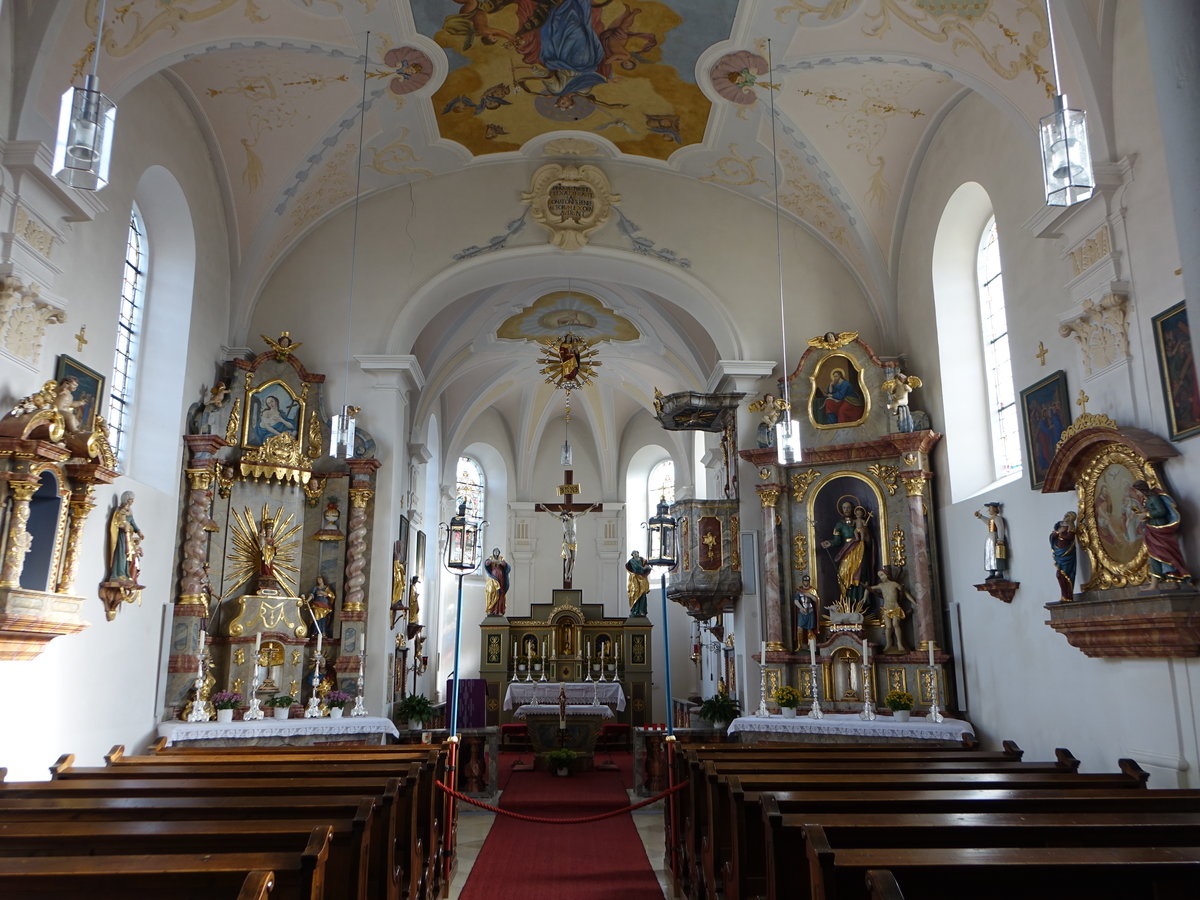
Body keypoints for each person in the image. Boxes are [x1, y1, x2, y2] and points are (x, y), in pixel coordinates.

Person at [1129, 481, 1193, 587]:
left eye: (1136, 491)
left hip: (1160, 528)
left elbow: (1161, 511)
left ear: (1140, 490)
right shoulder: (1147, 500)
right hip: (1152, 528)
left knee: (1165, 554)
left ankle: (1175, 582)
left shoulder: (1153, 498)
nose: (1136, 493)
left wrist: (1147, 514)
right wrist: (1143, 514)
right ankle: (1155, 585)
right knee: (1154, 555)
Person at [821, 497, 871, 605]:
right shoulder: (839, 524)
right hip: (847, 550)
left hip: (859, 550)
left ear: (853, 509)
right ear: (841, 509)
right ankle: (847, 600)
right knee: (843, 573)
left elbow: (867, 536)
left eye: (848, 507)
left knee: (859, 574)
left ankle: (859, 601)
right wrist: (829, 543)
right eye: (844, 508)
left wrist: (864, 531)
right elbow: (837, 540)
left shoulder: (858, 521)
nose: (846, 509)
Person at [869, 569, 911, 653]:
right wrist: (864, 597)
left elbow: (905, 592)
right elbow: (868, 588)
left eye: (881, 575)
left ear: (886, 574)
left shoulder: (894, 584)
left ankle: (899, 644)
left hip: (895, 607)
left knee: (895, 624)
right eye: (879, 576)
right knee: (888, 627)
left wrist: (913, 601)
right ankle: (889, 643)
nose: (880, 577)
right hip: (886, 608)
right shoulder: (881, 585)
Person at [107, 491, 143, 583]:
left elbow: (132, 522)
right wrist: (124, 526)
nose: (132, 502)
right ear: (126, 499)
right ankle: (118, 574)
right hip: (122, 536)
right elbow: (117, 524)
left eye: (132, 500)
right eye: (131, 500)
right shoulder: (120, 511)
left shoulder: (129, 511)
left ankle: (125, 574)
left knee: (128, 556)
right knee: (121, 555)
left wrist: (139, 532)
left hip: (128, 536)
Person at [974, 502, 1008, 580]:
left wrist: (1000, 539)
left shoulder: (998, 518)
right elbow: (988, 522)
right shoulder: (991, 519)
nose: (989, 510)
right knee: (990, 555)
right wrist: (980, 516)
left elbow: (1000, 528)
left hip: (995, 537)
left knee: (997, 554)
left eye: (990, 508)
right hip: (990, 538)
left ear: (994, 509)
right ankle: (991, 572)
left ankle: (999, 572)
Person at [1050, 511, 1078, 601]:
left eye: (1069, 517)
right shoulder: (1060, 525)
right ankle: (1064, 595)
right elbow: (1052, 535)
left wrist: (1061, 534)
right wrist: (1058, 533)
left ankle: (1067, 595)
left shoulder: (1071, 527)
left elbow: (1070, 537)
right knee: (1059, 575)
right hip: (1060, 554)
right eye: (1066, 516)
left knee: (1064, 575)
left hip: (1067, 555)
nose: (1066, 518)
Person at [483, 547, 511, 616]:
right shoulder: (490, 558)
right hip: (493, 577)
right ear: (493, 552)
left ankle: (499, 610)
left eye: (497, 552)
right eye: (495, 552)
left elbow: (506, 565)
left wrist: (501, 563)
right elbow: (486, 563)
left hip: (501, 577)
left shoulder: (501, 558)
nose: (496, 553)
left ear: (499, 553)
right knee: (493, 592)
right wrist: (492, 561)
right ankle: (492, 610)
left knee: (501, 592)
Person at [793, 574, 819, 646]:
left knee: (810, 630)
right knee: (799, 628)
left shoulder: (812, 590)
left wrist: (809, 595)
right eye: (805, 581)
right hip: (802, 611)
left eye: (807, 581)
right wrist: (801, 608)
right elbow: (796, 601)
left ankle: (810, 646)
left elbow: (816, 600)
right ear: (802, 581)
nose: (806, 582)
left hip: (810, 611)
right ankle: (799, 645)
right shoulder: (799, 590)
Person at [626, 550, 650, 617]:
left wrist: (647, 568)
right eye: (634, 553)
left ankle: (642, 611)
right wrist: (643, 568)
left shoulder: (642, 560)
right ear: (632, 555)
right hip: (635, 578)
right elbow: (636, 568)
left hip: (642, 578)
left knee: (643, 594)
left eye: (636, 553)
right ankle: (635, 610)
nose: (635, 554)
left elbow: (647, 565)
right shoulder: (632, 561)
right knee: (635, 593)